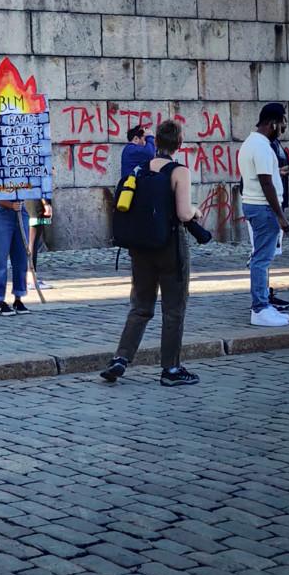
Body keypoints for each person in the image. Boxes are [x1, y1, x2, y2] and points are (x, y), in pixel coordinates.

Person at [99, 120, 203, 387]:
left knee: (141, 306)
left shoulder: (140, 168)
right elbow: (182, 213)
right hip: (170, 245)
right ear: (179, 144)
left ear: (155, 142)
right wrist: (196, 212)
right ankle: (171, 369)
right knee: (173, 308)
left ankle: (121, 358)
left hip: (140, 246)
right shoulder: (179, 171)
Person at [238, 103, 289, 327]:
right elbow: (265, 181)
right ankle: (259, 308)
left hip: (256, 206)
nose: (283, 128)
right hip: (264, 209)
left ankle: (263, 306)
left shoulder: (252, 143)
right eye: (282, 124)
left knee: (261, 257)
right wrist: (280, 215)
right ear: (272, 123)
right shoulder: (260, 145)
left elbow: (264, 176)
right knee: (262, 259)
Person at [0, 198, 30, 315]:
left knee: (21, 259)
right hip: (1, 213)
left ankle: (18, 298)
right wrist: (10, 205)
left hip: (20, 212)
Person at [27, 196, 53, 290]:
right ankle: (31, 278)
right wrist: (45, 203)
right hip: (35, 204)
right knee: (31, 243)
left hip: (30, 202)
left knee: (31, 243)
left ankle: (29, 277)